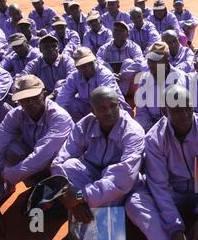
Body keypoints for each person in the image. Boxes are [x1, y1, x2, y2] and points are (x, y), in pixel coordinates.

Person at [126, 84, 198, 240]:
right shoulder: (154, 139)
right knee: (135, 202)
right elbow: (160, 186)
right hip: (173, 195)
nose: (185, 115)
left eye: (188, 107)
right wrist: (175, 228)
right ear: (165, 111)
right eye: (176, 110)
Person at [0, 75, 73, 238]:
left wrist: (0, 178)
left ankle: (61, 198)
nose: (29, 103)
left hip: (58, 166)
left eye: (33, 97)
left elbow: (40, 157)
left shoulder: (59, 117)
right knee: (9, 150)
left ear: (44, 93)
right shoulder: (16, 115)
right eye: (23, 99)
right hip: (35, 167)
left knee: (63, 164)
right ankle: (39, 189)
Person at [51, 86, 144, 223]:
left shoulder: (133, 131)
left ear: (119, 105)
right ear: (93, 111)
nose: (109, 112)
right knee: (69, 165)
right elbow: (60, 160)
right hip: (93, 175)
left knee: (110, 180)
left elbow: (124, 177)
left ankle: (101, 224)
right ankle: (82, 214)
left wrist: (79, 195)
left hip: (120, 184)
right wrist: (67, 195)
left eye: (113, 106)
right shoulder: (85, 124)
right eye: (102, 108)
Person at [56, 47, 131, 122]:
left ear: (94, 61)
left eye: (90, 63)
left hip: (111, 108)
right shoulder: (74, 77)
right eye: (83, 65)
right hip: (90, 108)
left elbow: (105, 100)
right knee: (70, 104)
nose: (88, 67)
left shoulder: (105, 74)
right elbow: (62, 99)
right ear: (77, 67)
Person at [135, 42, 187, 132]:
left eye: (156, 61)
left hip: (175, 126)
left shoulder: (180, 78)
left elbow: (182, 112)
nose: (151, 64)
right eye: (149, 60)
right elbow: (141, 111)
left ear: (167, 60)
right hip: (151, 125)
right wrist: (150, 129)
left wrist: (165, 131)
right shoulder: (144, 79)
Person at [96, 21, 144, 96]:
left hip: (128, 83)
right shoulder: (105, 47)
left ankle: (118, 94)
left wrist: (122, 74)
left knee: (129, 62)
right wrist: (111, 75)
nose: (117, 32)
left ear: (127, 35)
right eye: (115, 30)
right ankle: (117, 94)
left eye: (121, 31)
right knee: (103, 64)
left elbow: (140, 61)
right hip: (110, 79)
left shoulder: (133, 46)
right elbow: (98, 61)